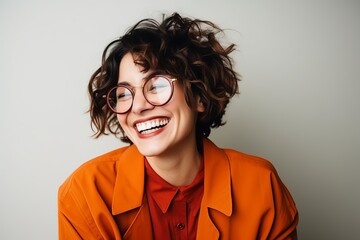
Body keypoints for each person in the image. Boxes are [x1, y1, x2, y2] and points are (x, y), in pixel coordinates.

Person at [58, 12, 298, 239]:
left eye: (157, 85)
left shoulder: (261, 186)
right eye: (123, 93)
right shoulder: (86, 193)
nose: (138, 106)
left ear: (200, 97)